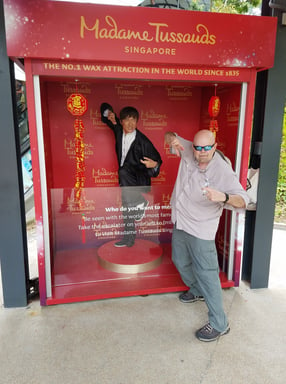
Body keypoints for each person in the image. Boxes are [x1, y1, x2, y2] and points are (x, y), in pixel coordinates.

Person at [164, 129, 249, 342]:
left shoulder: (221, 169)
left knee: (208, 275)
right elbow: (169, 134)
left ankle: (220, 324)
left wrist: (224, 196)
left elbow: (243, 200)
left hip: (201, 229)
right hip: (181, 221)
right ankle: (196, 290)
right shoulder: (189, 150)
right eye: (198, 147)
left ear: (215, 146)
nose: (201, 152)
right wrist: (171, 139)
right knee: (179, 260)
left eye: (206, 148)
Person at [101, 103, 162, 247]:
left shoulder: (143, 141)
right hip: (126, 182)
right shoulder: (118, 130)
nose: (130, 123)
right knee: (127, 209)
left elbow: (158, 161)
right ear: (121, 121)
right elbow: (104, 110)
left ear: (137, 121)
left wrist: (154, 165)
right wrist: (109, 113)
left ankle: (141, 201)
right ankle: (129, 239)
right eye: (127, 120)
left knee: (123, 171)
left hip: (138, 181)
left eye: (133, 120)